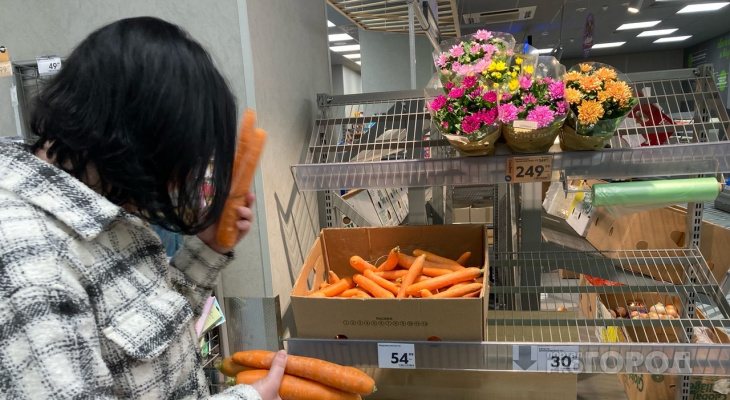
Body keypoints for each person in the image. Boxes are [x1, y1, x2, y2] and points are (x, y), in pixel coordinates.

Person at [0, 17, 285, 399]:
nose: (176, 184)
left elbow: (145, 329)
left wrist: (209, 247)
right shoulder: (31, 260)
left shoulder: (99, 207)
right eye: (177, 164)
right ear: (133, 139)